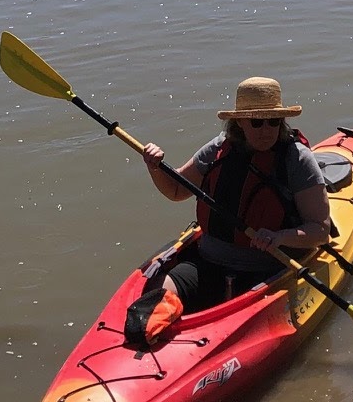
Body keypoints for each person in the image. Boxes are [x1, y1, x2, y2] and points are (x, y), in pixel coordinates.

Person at [125, 76, 332, 347]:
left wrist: (280, 236)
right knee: (146, 313)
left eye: (274, 121)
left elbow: (321, 231)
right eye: (256, 121)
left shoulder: (297, 159)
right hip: (208, 263)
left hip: (268, 270)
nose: (266, 129)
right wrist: (154, 167)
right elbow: (176, 191)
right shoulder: (218, 149)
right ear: (240, 123)